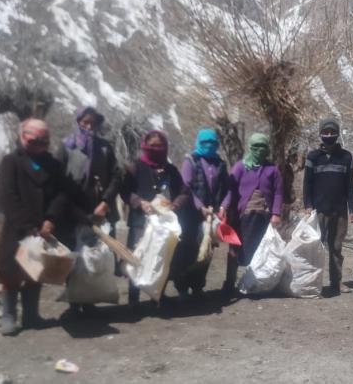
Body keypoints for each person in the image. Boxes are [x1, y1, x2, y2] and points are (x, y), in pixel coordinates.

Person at [0, 119, 81, 335]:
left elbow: (62, 193)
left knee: (35, 269)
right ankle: (9, 315)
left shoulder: (52, 164)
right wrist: (28, 225)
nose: (38, 145)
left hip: (45, 225)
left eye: (43, 141)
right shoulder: (11, 162)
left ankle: (31, 315)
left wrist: (51, 219)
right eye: (33, 140)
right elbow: (8, 196)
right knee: (11, 271)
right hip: (18, 226)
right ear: (23, 137)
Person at [56, 107, 122, 317]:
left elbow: (116, 176)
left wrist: (105, 202)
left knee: (96, 255)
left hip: (99, 210)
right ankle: (75, 300)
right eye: (85, 122)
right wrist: (71, 208)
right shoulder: (66, 147)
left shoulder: (105, 148)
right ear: (79, 122)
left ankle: (90, 298)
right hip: (71, 211)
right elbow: (58, 180)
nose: (89, 126)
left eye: (93, 123)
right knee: (75, 255)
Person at [120, 130, 189, 308]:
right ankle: (133, 299)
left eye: (160, 146)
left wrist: (175, 205)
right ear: (145, 146)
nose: (156, 149)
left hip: (164, 222)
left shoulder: (171, 170)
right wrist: (140, 202)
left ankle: (158, 294)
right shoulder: (135, 168)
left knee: (161, 256)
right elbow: (125, 191)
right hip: (140, 221)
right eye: (152, 146)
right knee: (137, 256)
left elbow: (183, 192)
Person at [220, 133, 283, 294]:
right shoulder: (240, 167)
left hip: (263, 216)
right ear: (250, 147)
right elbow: (230, 189)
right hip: (241, 215)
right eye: (256, 147)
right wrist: (224, 206)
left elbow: (278, 193)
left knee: (261, 250)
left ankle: (256, 283)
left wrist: (276, 213)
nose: (259, 150)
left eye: (263, 147)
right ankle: (229, 282)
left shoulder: (272, 169)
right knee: (235, 249)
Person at [303, 119, 353, 296]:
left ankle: (337, 282)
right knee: (316, 247)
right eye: (325, 132)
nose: (328, 135)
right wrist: (308, 205)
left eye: (331, 132)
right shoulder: (313, 157)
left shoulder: (346, 157)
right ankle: (313, 281)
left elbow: (351, 185)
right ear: (320, 134)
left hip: (340, 210)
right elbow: (307, 184)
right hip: (318, 210)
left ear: (337, 134)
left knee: (336, 247)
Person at [173, 129, 229, 301]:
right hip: (190, 214)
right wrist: (200, 207)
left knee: (206, 251)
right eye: (205, 143)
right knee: (187, 249)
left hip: (212, 216)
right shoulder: (191, 160)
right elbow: (186, 187)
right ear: (199, 142)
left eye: (213, 143)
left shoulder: (220, 163)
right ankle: (182, 288)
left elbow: (227, 189)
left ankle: (198, 287)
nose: (209, 146)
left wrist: (223, 206)